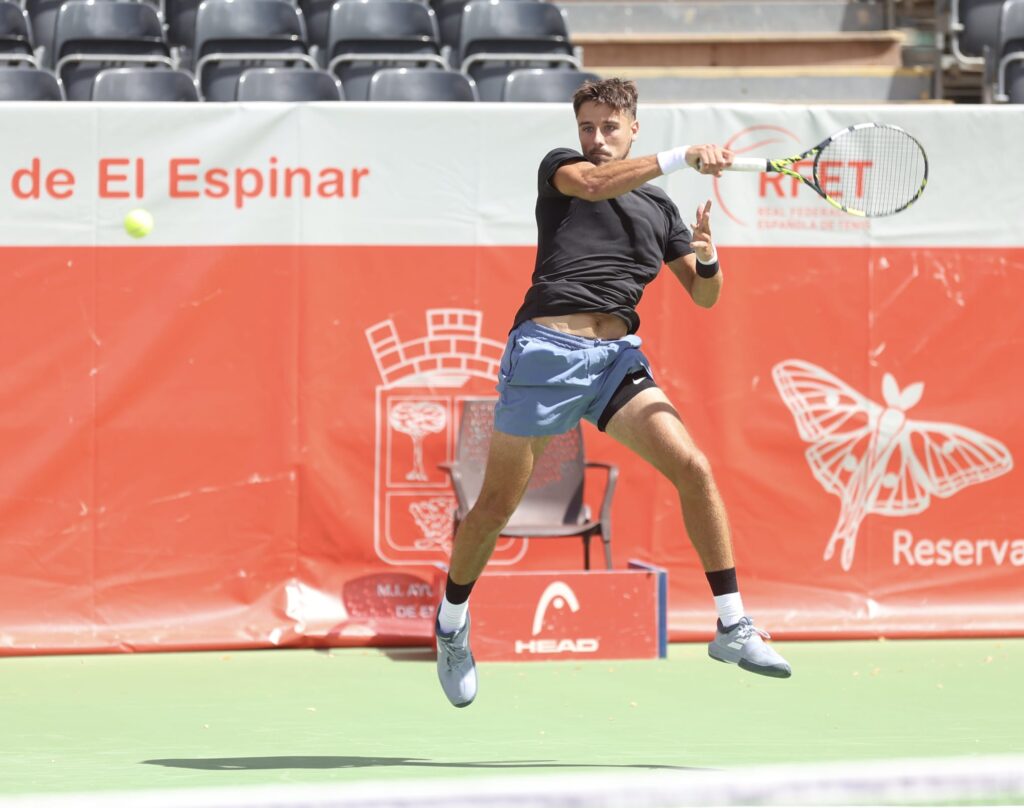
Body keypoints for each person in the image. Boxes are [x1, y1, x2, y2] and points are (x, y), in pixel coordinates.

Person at [435, 78, 791, 708]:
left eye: (608, 128)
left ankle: (732, 624)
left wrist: (708, 259)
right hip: (547, 351)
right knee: (494, 507)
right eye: (586, 127)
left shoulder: (660, 210)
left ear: (633, 129)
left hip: (616, 362)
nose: (595, 139)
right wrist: (684, 156)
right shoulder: (563, 172)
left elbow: (704, 296)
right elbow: (598, 184)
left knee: (694, 467)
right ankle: (451, 623)